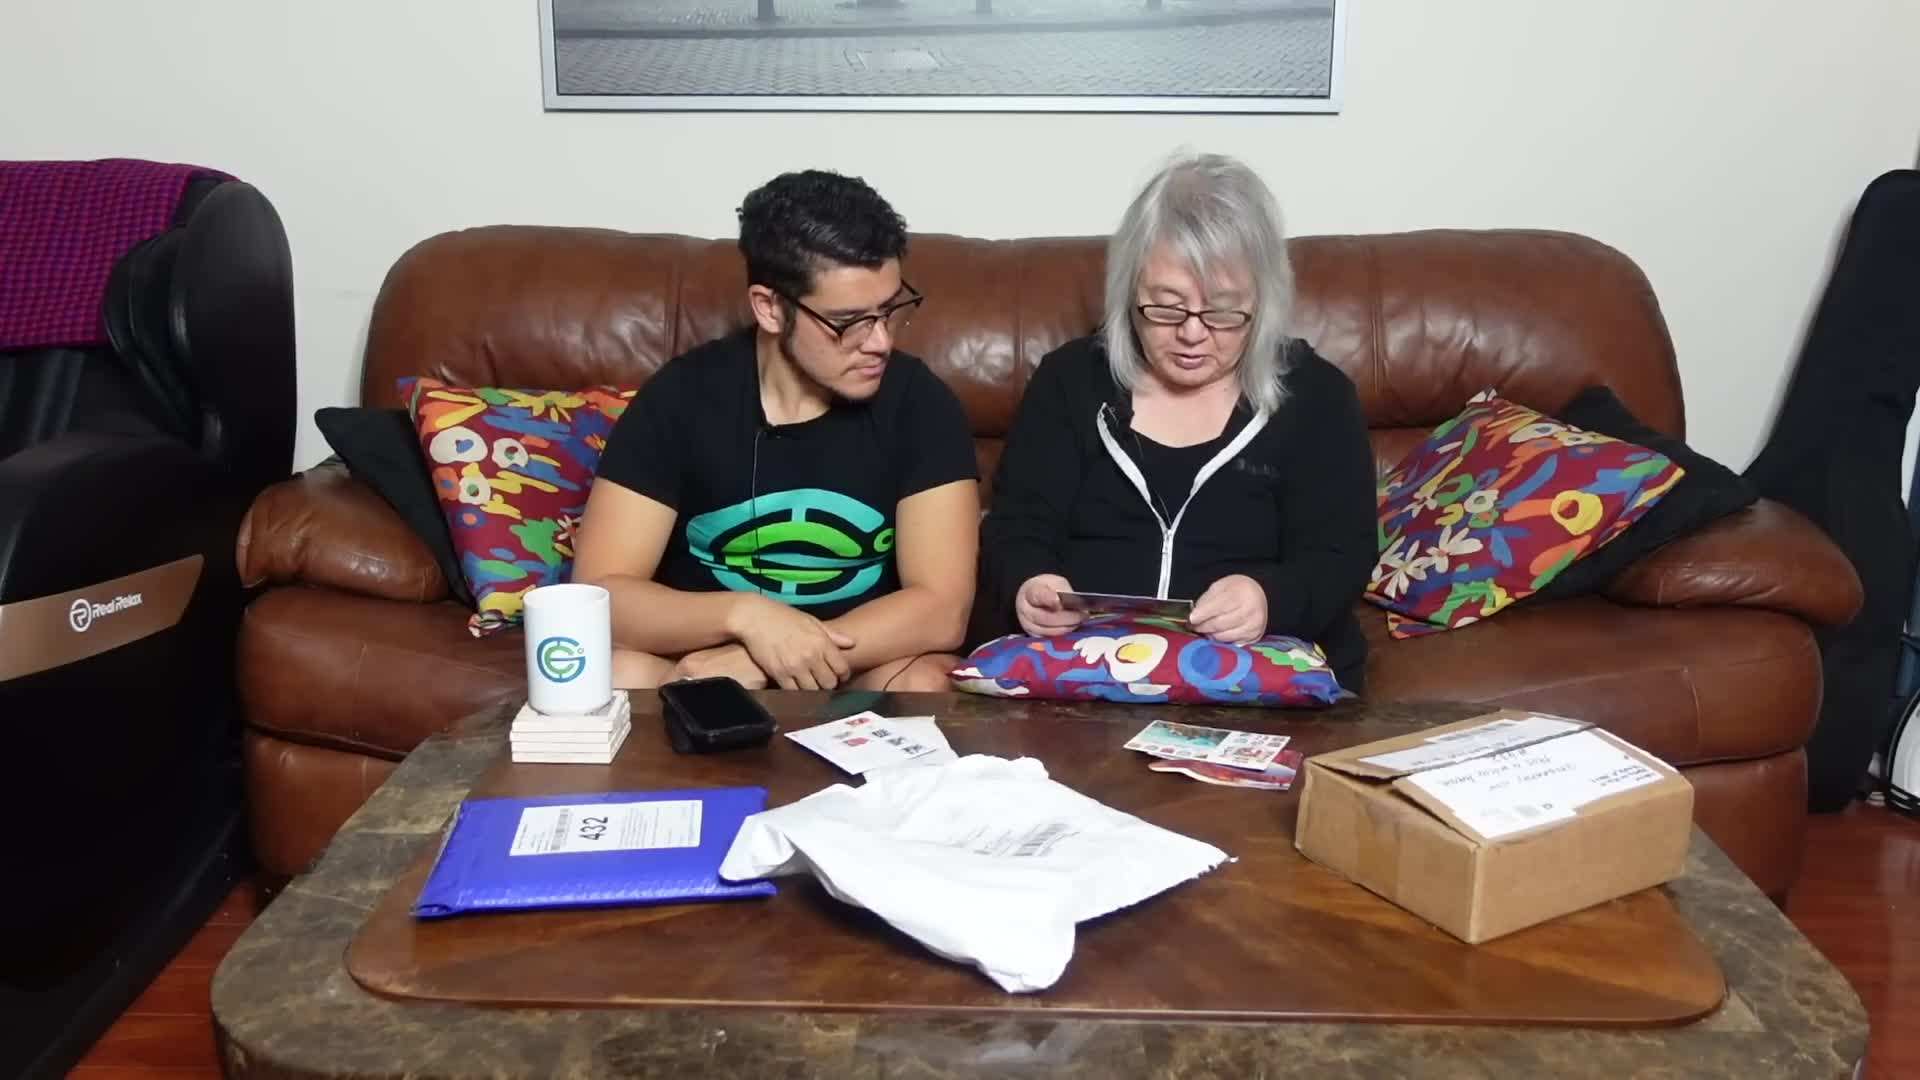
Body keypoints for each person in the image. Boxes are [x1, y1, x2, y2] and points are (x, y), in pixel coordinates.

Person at [976, 152, 1377, 692]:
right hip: (1084, 679)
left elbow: (1340, 555)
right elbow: (1017, 524)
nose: (1192, 334)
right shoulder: (1070, 380)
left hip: (1255, 684)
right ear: (1129, 294)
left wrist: (1270, 597)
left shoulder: (1318, 397)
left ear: (1265, 303)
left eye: (1223, 313)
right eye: (1165, 308)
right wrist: (1029, 582)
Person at [573, 170, 980, 692]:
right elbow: (600, 596)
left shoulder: (921, 403)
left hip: (856, 666)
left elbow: (942, 609)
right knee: (618, 672)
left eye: (889, 310)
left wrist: (780, 656)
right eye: (848, 320)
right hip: (704, 668)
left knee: (925, 682)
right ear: (769, 308)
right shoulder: (680, 397)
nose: (878, 341)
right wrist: (746, 618)